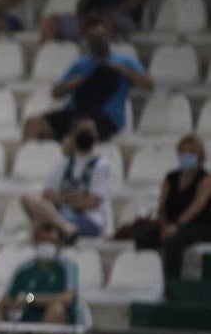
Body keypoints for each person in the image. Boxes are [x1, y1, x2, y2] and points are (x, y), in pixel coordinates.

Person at [23, 16, 152, 142]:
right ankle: (26, 161)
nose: (98, 42)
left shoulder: (125, 61)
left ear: (108, 37)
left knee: (83, 127)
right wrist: (76, 82)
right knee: (33, 124)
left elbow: (149, 84)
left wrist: (122, 70)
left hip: (107, 117)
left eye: (101, 37)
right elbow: (56, 93)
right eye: (93, 38)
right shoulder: (81, 63)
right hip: (76, 112)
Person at [21, 116, 112, 243]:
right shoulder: (65, 163)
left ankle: (56, 228)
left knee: (42, 225)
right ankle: (64, 228)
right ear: (73, 135)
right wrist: (72, 198)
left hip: (88, 220)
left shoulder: (101, 164)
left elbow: (92, 201)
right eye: (82, 131)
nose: (85, 135)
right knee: (27, 199)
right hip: (60, 214)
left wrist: (61, 199)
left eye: (89, 132)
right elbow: (47, 195)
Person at [134, 134, 211, 279]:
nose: (185, 157)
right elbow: (162, 207)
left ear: (199, 156)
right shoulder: (171, 178)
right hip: (170, 223)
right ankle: (146, 277)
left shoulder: (205, 179)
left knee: (174, 240)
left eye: (190, 154)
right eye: (183, 153)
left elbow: (196, 207)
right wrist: (164, 225)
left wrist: (176, 225)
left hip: (199, 225)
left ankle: (171, 282)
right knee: (144, 236)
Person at [0, 223, 79, 324]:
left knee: (57, 309)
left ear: (60, 244)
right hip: (26, 321)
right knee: (0, 306)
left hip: (60, 325)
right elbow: (8, 298)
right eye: (43, 241)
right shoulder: (23, 269)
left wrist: (31, 298)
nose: (47, 245)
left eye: (52, 241)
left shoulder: (68, 266)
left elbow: (68, 298)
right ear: (35, 242)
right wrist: (14, 303)